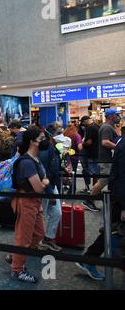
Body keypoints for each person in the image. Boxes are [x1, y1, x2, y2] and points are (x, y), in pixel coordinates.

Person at [75, 128, 125, 281]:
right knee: (114, 231)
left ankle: (89, 260)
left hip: (118, 195)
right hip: (119, 197)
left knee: (112, 230)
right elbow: (123, 177)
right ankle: (90, 260)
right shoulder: (121, 145)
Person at [7, 126, 49, 283]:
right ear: (32, 141)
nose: (45, 142)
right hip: (26, 202)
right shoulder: (27, 162)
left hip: (34, 202)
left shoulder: (36, 159)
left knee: (38, 233)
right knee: (23, 238)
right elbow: (38, 187)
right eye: (42, 139)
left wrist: (44, 182)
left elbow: (43, 181)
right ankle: (17, 270)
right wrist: (44, 182)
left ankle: (14, 256)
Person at [83, 109, 121, 212]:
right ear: (110, 116)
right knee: (103, 180)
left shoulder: (110, 127)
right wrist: (119, 147)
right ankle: (88, 201)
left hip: (109, 159)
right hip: (106, 159)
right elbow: (105, 142)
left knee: (108, 180)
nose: (118, 117)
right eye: (116, 115)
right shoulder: (106, 128)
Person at [38, 123, 63, 252]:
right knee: (40, 216)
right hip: (46, 187)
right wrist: (50, 193)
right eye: (59, 132)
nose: (61, 135)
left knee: (57, 213)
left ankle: (48, 238)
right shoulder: (45, 148)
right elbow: (44, 172)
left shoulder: (53, 147)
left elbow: (54, 167)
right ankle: (33, 242)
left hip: (52, 185)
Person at [79, 115, 100, 194]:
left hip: (91, 153)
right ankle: (96, 190)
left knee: (91, 172)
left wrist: (82, 144)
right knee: (96, 173)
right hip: (97, 152)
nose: (83, 124)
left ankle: (93, 190)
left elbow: (89, 142)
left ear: (87, 120)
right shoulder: (97, 126)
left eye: (83, 122)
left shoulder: (90, 128)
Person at [64, 123, 83, 194]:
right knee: (73, 174)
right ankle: (72, 190)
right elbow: (79, 147)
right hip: (74, 157)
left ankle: (68, 189)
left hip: (66, 157)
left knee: (66, 173)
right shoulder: (77, 136)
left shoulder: (65, 135)